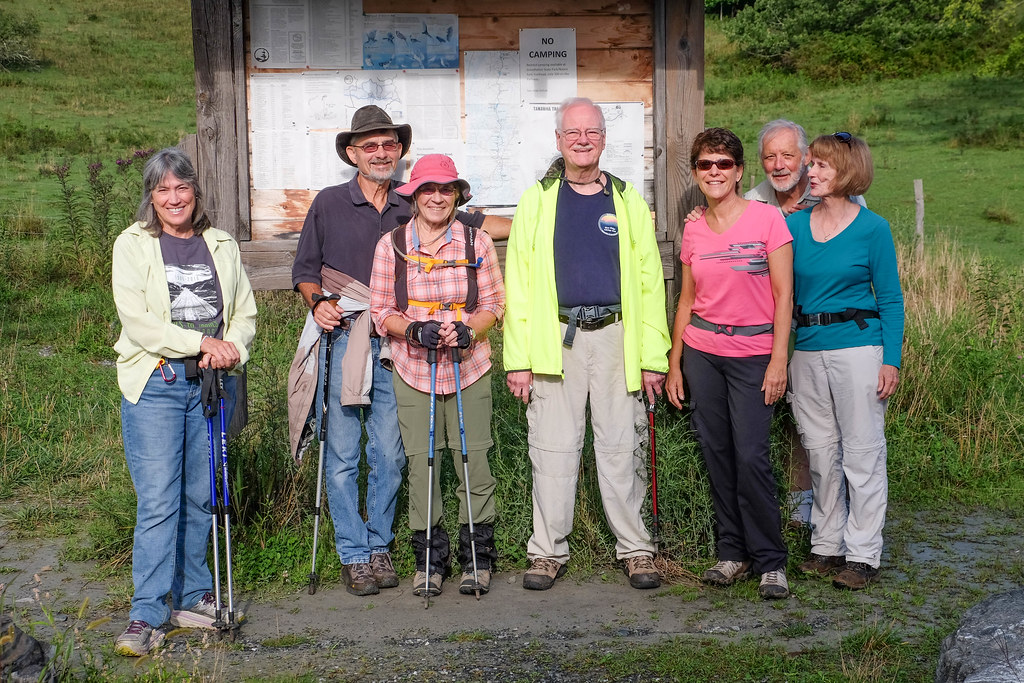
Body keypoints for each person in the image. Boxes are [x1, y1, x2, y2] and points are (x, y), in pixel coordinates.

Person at [290, 105, 509, 597]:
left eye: (389, 144)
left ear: (400, 151)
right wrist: (319, 302)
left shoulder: (412, 203)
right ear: (352, 153)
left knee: (391, 453)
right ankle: (354, 553)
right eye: (370, 145)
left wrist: (543, 218)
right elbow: (304, 271)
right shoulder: (328, 204)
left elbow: (478, 224)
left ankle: (381, 544)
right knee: (344, 452)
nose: (381, 152)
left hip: (397, 346)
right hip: (348, 336)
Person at [504, 97, 671, 592]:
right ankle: (547, 552)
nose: (582, 139)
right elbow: (518, 283)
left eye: (592, 132)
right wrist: (519, 360)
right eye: (573, 132)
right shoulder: (537, 200)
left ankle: (637, 549)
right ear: (558, 139)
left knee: (622, 445)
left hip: (618, 336)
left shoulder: (625, 200)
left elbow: (649, 284)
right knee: (553, 448)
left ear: (603, 139)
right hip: (554, 340)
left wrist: (653, 357)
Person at [111, 147, 257, 656]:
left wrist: (233, 345)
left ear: (196, 193)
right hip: (157, 383)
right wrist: (201, 343)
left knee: (200, 495)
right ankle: (146, 612)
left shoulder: (221, 244)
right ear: (151, 198)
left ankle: (192, 595)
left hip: (211, 387)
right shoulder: (131, 245)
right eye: (163, 190)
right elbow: (139, 323)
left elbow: (243, 313)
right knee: (157, 501)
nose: (174, 198)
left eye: (182, 188)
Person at [664, 127, 794, 600]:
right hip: (703, 353)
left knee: (752, 456)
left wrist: (778, 360)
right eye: (705, 164)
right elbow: (686, 301)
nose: (714, 172)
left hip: (754, 355)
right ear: (697, 172)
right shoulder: (693, 226)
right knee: (716, 453)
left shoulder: (767, 222)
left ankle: (770, 561)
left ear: (740, 171)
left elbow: (784, 296)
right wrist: (676, 363)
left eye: (724, 164)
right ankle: (732, 553)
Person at [369, 154, 504, 597]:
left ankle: (477, 559)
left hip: (469, 366)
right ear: (413, 196)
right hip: (413, 368)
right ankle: (429, 560)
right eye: (427, 189)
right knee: (422, 462)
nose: (437, 197)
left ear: (458, 196)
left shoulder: (476, 242)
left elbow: (494, 305)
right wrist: (412, 329)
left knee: (474, 458)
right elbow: (380, 311)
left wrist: (469, 329)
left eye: (446, 190)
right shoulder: (392, 245)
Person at [787, 132, 904, 590]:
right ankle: (827, 545)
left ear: (847, 171)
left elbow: (891, 299)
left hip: (859, 348)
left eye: (820, 166)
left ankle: (863, 554)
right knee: (819, 450)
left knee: (862, 451)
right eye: (810, 164)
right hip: (807, 349)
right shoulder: (794, 226)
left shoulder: (873, 228)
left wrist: (890, 360)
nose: (810, 173)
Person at [745, 119, 867, 526]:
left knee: (824, 429)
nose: (779, 165)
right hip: (766, 328)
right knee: (786, 421)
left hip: (823, 330)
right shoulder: (752, 202)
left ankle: (823, 515)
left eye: (788, 156)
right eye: (769, 157)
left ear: (805, 159)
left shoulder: (841, 201)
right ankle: (787, 509)